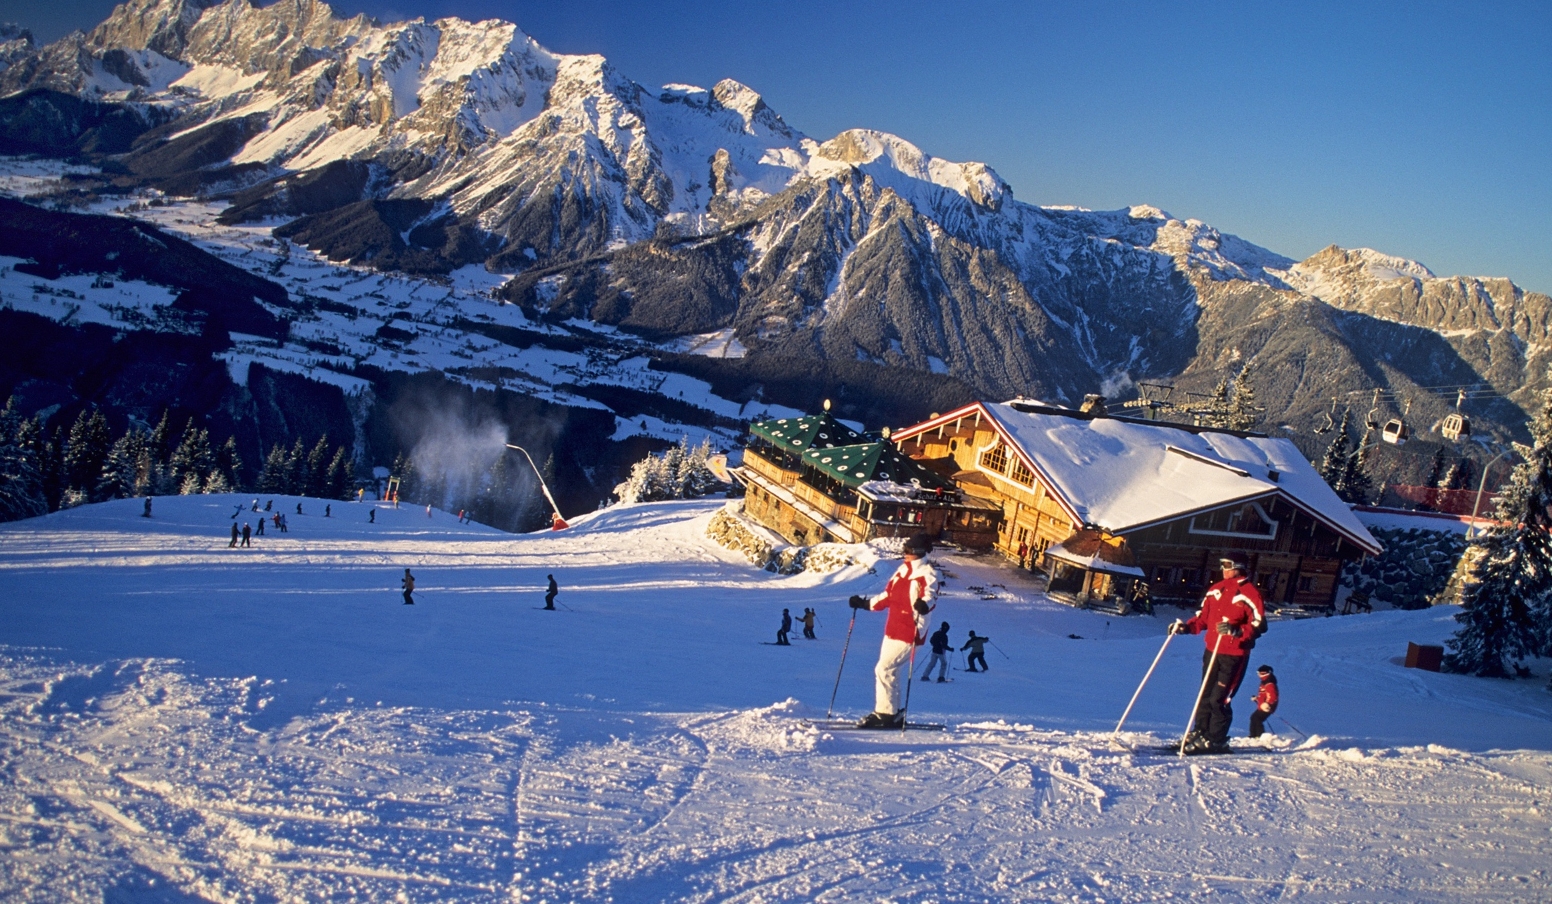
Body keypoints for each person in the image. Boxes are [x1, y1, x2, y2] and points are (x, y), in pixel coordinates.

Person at [1169, 554, 1266, 755]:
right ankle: (1201, 732)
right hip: (1212, 650)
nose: (1223, 569)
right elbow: (1202, 618)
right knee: (1205, 694)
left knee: (1219, 698)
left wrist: (1237, 631)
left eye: (1228, 565)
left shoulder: (1249, 592)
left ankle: (1217, 739)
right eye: (1222, 565)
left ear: (1239, 567)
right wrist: (1185, 628)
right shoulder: (1216, 590)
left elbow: (1259, 624)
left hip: (1234, 654)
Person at [848, 533, 938, 728]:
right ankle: (894, 713)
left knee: (884, 669)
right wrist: (864, 604)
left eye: (909, 551)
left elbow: (931, 595)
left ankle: (885, 713)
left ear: (919, 553)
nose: (904, 554)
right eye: (904, 550)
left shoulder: (927, 573)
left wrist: (924, 605)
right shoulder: (902, 570)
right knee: (891, 671)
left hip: (910, 630)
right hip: (893, 628)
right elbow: (888, 596)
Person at [1248, 665, 1279, 738]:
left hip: (1267, 707)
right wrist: (1257, 698)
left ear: (1267, 673)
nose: (1259, 676)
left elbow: (1273, 696)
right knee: (1254, 717)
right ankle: (1253, 735)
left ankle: (1259, 735)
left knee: (1257, 718)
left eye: (1261, 674)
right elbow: (1263, 696)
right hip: (1262, 706)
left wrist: (1267, 704)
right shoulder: (1263, 683)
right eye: (1258, 673)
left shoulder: (1270, 684)